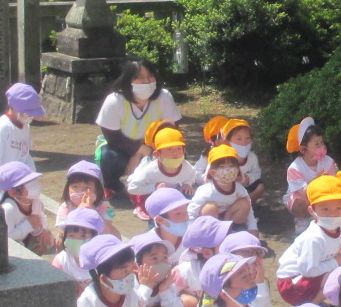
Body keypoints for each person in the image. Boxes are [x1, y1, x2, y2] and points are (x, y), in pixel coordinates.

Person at [95, 59, 181, 199]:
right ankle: (110, 184)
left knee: (176, 153)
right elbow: (112, 136)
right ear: (128, 80)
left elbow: (172, 129)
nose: (146, 81)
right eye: (140, 77)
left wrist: (144, 153)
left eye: (150, 76)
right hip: (119, 147)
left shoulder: (164, 97)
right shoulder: (115, 100)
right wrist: (139, 150)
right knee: (108, 157)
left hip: (155, 148)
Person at [275, 176, 341, 303]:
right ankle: (311, 306)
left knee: (340, 274)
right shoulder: (314, 238)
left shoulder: (340, 229)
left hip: (308, 276)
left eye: (338, 208)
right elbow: (308, 270)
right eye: (325, 209)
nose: (332, 214)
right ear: (312, 211)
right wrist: (336, 262)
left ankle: (315, 303)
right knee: (336, 278)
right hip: (292, 283)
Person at [127, 127, 198, 218]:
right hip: (147, 193)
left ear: (184, 151)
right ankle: (143, 209)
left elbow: (192, 174)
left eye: (179, 148)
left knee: (189, 195)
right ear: (157, 154)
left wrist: (187, 184)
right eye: (169, 149)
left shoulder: (186, 167)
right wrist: (154, 187)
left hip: (170, 192)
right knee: (155, 205)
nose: (175, 153)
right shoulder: (151, 170)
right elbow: (132, 188)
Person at [283, 117, 336, 226]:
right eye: (317, 144)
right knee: (300, 203)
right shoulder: (295, 168)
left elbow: (335, 181)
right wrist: (319, 179)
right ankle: (301, 219)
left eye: (322, 142)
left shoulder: (328, 162)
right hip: (303, 197)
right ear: (303, 149)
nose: (322, 146)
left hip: (323, 194)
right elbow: (304, 192)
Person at [0, 161, 53, 255]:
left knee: (48, 239)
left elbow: (40, 216)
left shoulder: (36, 202)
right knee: (18, 245)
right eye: (30, 184)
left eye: (35, 181)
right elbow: (5, 240)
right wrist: (28, 226)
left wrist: (42, 229)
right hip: (3, 247)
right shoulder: (7, 210)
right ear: (13, 192)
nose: (36, 186)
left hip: (25, 237)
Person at [188, 146, 255, 231]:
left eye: (231, 166)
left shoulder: (240, 189)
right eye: (222, 167)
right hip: (209, 222)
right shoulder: (206, 190)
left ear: (238, 170)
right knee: (209, 208)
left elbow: (249, 209)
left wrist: (253, 228)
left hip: (228, 218)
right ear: (212, 172)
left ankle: (231, 231)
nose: (228, 170)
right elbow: (192, 211)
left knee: (244, 203)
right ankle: (210, 235)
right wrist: (190, 231)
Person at [0, 82, 45, 177]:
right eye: (29, 113)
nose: (31, 116)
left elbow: (25, 155)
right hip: (6, 177)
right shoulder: (3, 127)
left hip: (21, 176)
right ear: (16, 109)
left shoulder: (25, 126)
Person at [50, 207, 103, 293]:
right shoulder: (61, 260)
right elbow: (54, 285)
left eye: (83, 237)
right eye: (71, 236)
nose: (77, 240)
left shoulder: (103, 260)